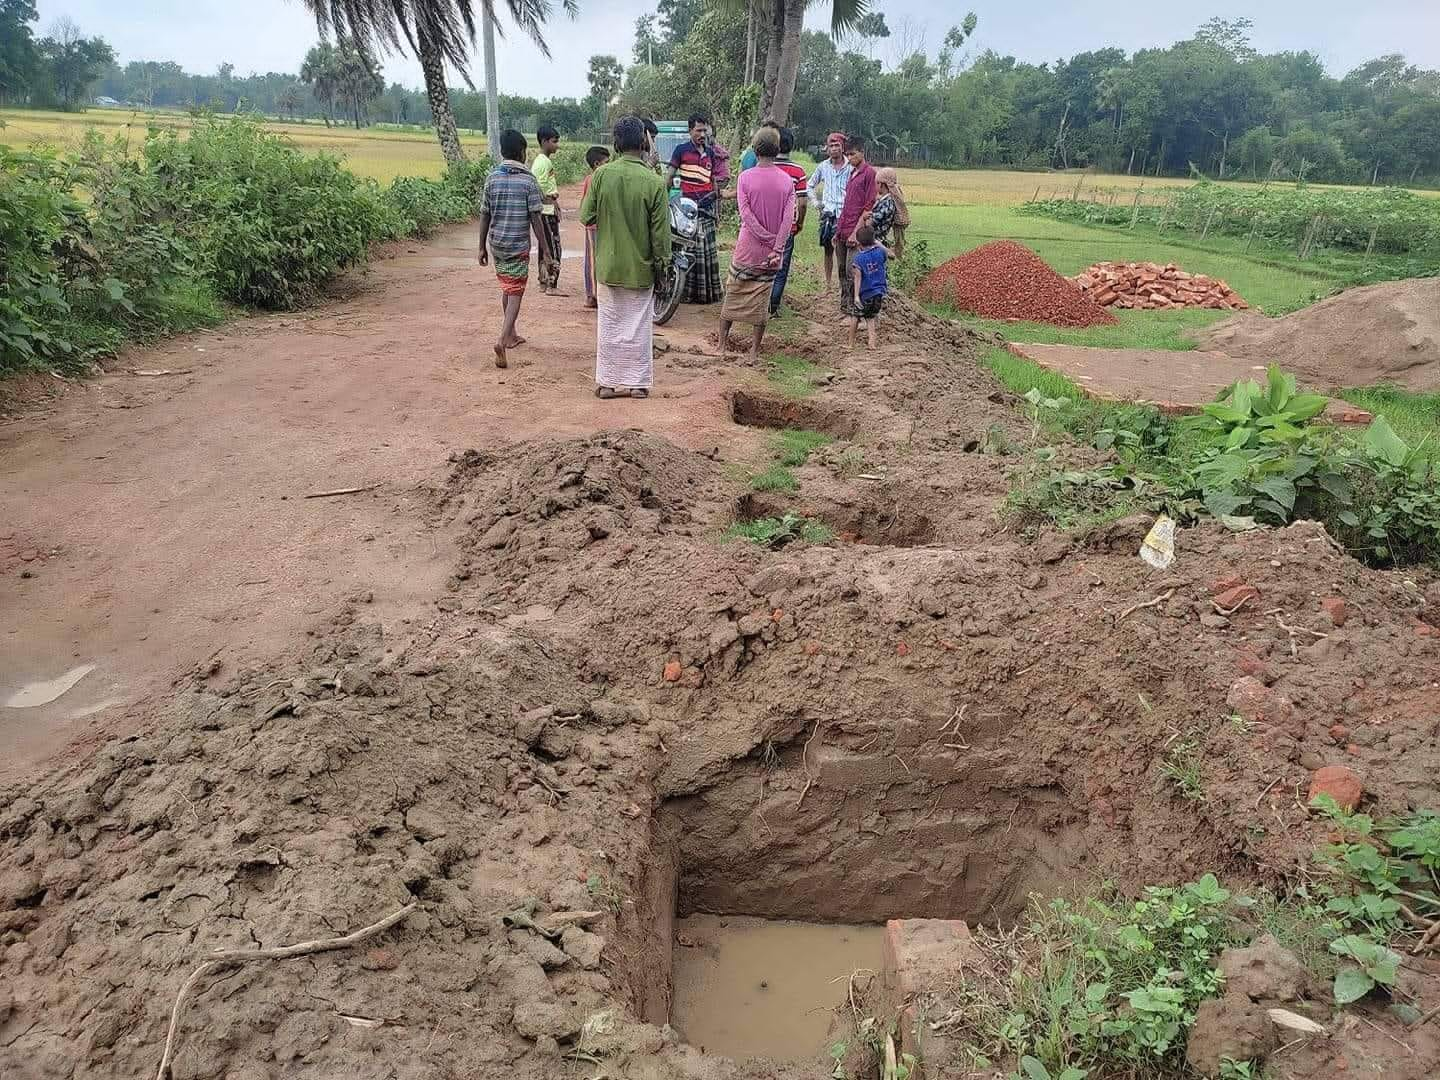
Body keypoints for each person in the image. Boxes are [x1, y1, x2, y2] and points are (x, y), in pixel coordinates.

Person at [580, 116, 672, 400]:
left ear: (616, 143)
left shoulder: (601, 175)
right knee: (638, 326)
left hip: (608, 266)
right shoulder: (654, 182)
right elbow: (661, 236)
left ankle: (607, 383)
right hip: (641, 268)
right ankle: (637, 384)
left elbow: (586, 216)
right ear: (644, 142)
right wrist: (663, 269)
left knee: (608, 325)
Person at [477, 129, 554, 369]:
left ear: (502, 152)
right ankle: (502, 338)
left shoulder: (492, 178)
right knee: (516, 292)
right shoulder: (528, 180)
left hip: (497, 243)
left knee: (507, 287)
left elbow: (484, 214)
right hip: (517, 244)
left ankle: (511, 334)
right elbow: (536, 219)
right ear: (522, 152)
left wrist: (481, 246)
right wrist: (546, 250)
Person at [718, 124, 796, 362]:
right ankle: (753, 352)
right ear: (778, 149)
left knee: (732, 293)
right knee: (762, 302)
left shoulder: (745, 178)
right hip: (771, 255)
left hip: (747, 249)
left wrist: (763, 236)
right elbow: (788, 219)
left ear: (754, 148)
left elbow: (746, 215)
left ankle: (721, 345)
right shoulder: (786, 181)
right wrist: (777, 246)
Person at [665, 113, 721, 304]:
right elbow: (669, 177)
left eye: (705, 130)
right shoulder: (681, 150)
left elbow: (714, 181)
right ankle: (684, 293)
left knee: (707, 252)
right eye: (699, 130)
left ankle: (706, 295)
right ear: (690, 131)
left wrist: (717, 211)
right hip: (687, 209)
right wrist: (664, 201)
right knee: (688, 249)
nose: (702, 134)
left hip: (707, 208)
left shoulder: (711, 153)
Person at [835, 134, 876, 322]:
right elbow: (847, 205)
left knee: (853, 271)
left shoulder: (869, 174)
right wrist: (838, 230)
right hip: (843, 227)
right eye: (847, 155)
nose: (849, 158)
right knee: (842, 270)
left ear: (861, 152)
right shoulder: (851, 173)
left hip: (855, 231)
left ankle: (853, 309)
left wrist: (855, 232)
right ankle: (844, 305)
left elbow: (868, 207)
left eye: (852, 154)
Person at [769, 125, 809, 317]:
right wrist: (799, 223)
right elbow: (802, 203)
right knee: (781, 268)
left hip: (765, 225)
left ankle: (759, 303)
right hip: (787, 228)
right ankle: (773, 306)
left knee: (762, 265)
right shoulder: (798, 171)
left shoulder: (765, 168)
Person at [807, 132, 852, 296]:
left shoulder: (850, 167)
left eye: (837, 146)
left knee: (843, 251)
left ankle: (843, 285)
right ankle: (827, 284)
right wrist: (816, 203)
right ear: (827, 148)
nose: (834, 149)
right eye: (831, 146)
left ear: (842, 147)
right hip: (827, 213)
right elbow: (809, 185)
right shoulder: (823, 167)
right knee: (827, 250)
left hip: (844, 214)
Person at [532, 124, 564, 295]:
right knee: (554, 248)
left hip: (545, 209)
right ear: (544, 142)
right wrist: (550, 201)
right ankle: (552, 284)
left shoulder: (541, 161)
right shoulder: (544, 163)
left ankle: (543, 281)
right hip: (545, 211)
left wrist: (555, 204)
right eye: (554, 141)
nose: (557, 145)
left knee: (545, 247)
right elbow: (538, 187)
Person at [579, 145, 611, 310]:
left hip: (602, 224)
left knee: (597, 259)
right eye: (607, 162)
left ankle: (597, 293)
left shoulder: (598, 178)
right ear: (597, 164)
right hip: (594, 225)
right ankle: (592, 295)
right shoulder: (594, 179)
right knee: (593, 260)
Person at [848, 223, 888, 350]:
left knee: (855, 316)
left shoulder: (859, 259)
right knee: (871, 317)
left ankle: (850, 344)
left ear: (859, 244)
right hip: (879, 293)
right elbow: (890, 255)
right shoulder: (880, 252)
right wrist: (880, 244)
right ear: (874, 239)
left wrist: (856, 297)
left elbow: (857, 278)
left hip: (865, 294)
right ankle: (872, 342)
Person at [871, 167, 910, 259]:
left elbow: (874, 221)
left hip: (877, 239)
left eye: (876, 183)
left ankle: (888, 252)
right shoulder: (884, 200)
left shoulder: (888, 203)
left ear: (881, 184)